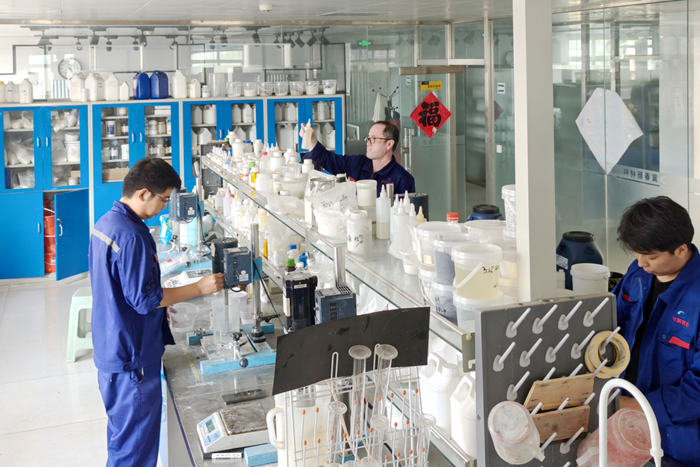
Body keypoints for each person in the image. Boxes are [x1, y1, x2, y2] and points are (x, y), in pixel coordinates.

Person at [88, 158, 224, 467]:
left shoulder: (107, 223)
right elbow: (144, 300)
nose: (164, 208)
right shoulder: (131, 235)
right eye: (163, 200)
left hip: (113, 346)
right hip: (132, 360)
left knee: (124, 442)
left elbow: (120, 289)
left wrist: (160, 310)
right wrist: (198, 288)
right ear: (143, 193)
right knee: (134, 452)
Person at [614, 196, 700, 467]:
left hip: (675, 443)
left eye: (651, 256)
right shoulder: (637, 275)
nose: (641, 263)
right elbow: (610, 330)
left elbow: (696, 391)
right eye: (636, 253)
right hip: (621, 423)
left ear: (681, 250)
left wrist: (629, 405)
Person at [300, 120, 415, 196]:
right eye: (368, 138)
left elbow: (406, 216)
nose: (368, 143)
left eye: (374, 139)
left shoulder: (402, 179)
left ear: (389, 144)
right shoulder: (358, 163)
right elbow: (328, 159)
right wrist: (311, 138)